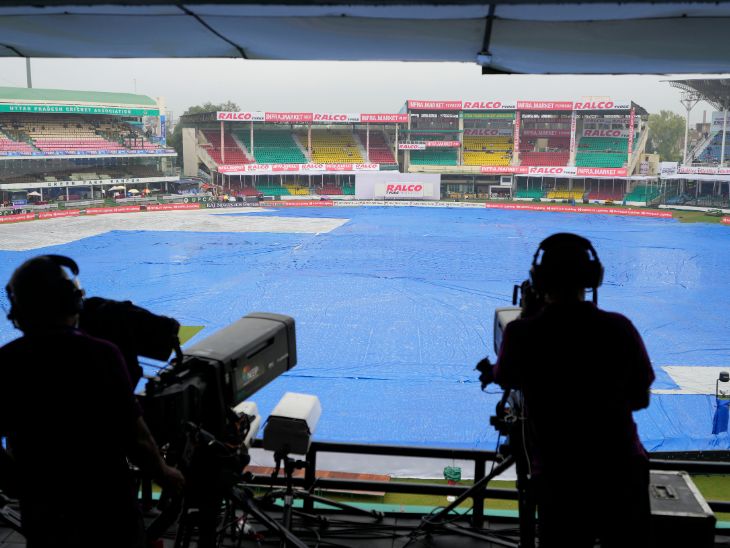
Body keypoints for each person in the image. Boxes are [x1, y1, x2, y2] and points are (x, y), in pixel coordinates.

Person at [0, 255, 184, 548]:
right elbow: (135, 438)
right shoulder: (100, 354)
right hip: (108, 508)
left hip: (44, 516)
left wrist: (20, 483)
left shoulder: (6, 362)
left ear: (18, 310)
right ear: (72, 302)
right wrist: (165, 473)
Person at [490, 233, 655, 548]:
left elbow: (504, 376)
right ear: (593, 278)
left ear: (538, 280)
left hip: (559, 478)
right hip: (620, 473)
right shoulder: (619, 328)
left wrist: (527, 315)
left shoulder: (522, 333)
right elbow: (640, 399)